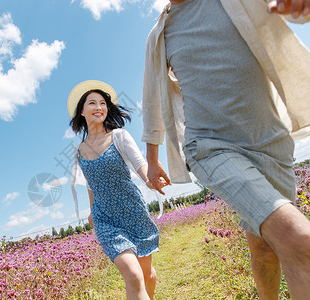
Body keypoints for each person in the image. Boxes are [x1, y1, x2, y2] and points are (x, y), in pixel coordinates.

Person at [141, 0, 310, 298]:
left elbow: (286, 10)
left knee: (264, 246)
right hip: (209, 146)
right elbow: (153, 99)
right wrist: (152, 160)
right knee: (298, 240)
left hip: (271, 140)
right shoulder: (160, 34)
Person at [69, 80, 167, 300]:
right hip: (106, 219)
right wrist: (92, 210)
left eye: (103, 103)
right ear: (82, 111)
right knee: (133, 275)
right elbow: (90, 184)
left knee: (146, 275)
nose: (99, 107)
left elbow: (140, 164)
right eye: (92, 103)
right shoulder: (79, 151)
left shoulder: (119, 136)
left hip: (133, 212)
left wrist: (151, 179)